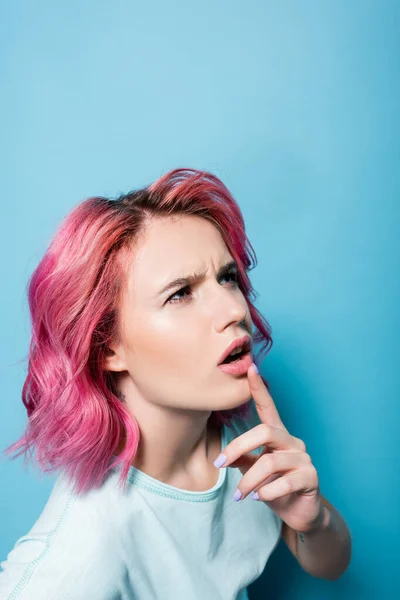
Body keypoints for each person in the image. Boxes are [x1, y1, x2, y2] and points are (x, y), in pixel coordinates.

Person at [0, 168, 351, 599]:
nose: (233, 310)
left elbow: (331, 563)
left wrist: (314, 523)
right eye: (180, 293)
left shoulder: (243, 438)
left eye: (227, 277)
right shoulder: (85, 547)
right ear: (108, 347)